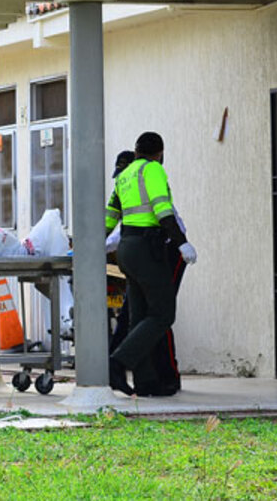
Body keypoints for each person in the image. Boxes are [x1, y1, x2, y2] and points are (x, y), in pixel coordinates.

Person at [103, 132, 197, 397]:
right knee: (163, 314)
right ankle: (117, 363)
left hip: (126, 249)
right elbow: (163, 210)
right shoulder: (152, 169)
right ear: (160, 153)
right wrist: (182, 243)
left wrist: (93, 245)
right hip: (148, 249)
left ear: (135, 151)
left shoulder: (124, 175)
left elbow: (110, 217)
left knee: (139, 316)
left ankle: (145, 383)